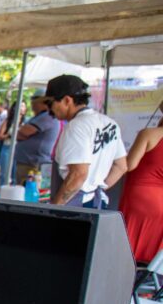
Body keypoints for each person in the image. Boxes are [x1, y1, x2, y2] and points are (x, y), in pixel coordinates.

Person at [47, 74, 127, 208]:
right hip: (97, 201)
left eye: (51, 103)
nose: (50, 108)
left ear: (67, 100)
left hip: (76, 204)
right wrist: (96, 188)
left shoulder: (76, 126)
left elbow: (78, 174)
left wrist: (54, 207)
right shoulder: (109, 123)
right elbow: (121, 166)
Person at [119, 120, 163, 263]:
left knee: (126, 245)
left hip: (139, 196)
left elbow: (130, 165)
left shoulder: (149, 134)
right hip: (160, 200)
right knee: (154, 254)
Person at [12, 91, 61, 183]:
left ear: (42, 103)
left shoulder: (47, 116)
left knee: (29, 189)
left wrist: (23, 134)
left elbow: (24, 131)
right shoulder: (39, 117)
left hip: (34, 164)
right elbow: (19, 134)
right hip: (29, 163)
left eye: (34, 102)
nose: (32, 105)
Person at [0, 101, 27, 187]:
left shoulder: (26, 122)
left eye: (23, 106)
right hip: (7, 149)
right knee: (4, 175)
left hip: (19, 150)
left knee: (15, 177)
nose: (21, 108)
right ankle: (3, 193)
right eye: (20, 106)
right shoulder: (9, 121)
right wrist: (9, 135)